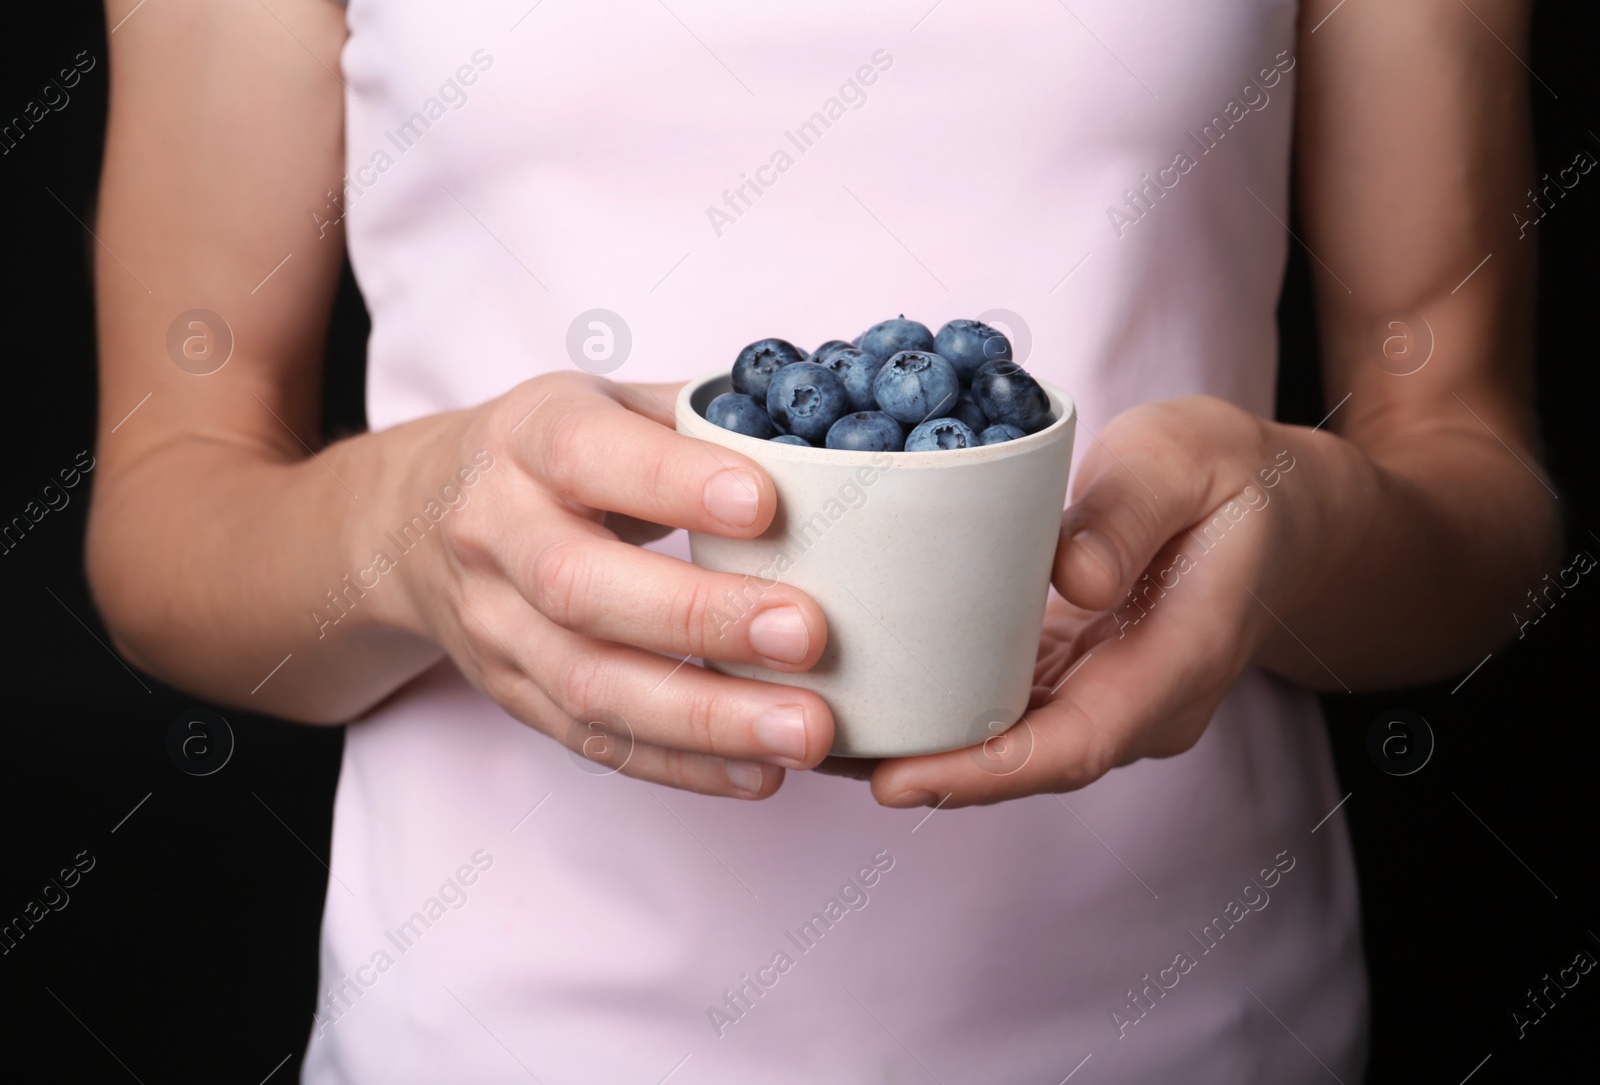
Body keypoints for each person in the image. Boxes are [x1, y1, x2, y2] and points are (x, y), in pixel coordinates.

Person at [89, 0, 1556, 1080]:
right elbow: (166, 512)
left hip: (1191, 1029)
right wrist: (403, 527)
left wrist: (1288, 529)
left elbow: (1480, 498)